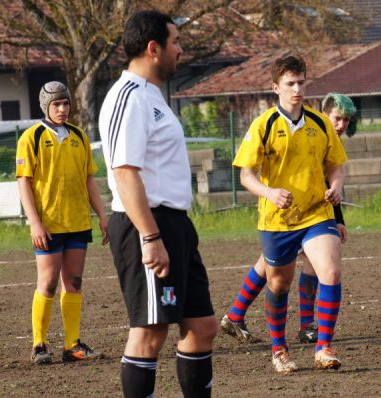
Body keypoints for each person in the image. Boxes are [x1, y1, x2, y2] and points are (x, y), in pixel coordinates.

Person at [98, 10, 217, 397]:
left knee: (201, 327)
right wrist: (151, 237)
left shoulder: (152, 97)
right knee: (150, 332)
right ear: (153, 48)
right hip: (147, 226)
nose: (180, 50)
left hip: (176, 224)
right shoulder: (128, 97)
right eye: (176, 42)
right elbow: (125, 172)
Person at [232, 55, 348, 374]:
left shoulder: (320, 123)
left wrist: (336, 186)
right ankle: (279, 348)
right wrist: (269, 192)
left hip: (316, 213)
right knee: (280, 284)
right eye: (290, 84)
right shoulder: (264, 125)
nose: (297, 89)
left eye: (301, 83)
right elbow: (245, 174)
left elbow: (336, 165)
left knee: (331, 273)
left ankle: (323, 346)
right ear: (276, 87)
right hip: (277, 220)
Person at [220, 92, 357, 346]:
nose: (341, 125)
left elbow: (329, 185)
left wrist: (337, 219)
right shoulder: (305, 128)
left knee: (278, 264)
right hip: (283, 215)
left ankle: (236, 314)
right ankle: (305, 324)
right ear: (325, 114)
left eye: (346, 121)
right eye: (337, 118)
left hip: (313, 213)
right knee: (295, 266)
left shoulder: (325, 135)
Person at [16, 81, 108, 365]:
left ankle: (72, 345)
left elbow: (89, 180)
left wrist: (103, 215)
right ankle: (39, 345)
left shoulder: (79, 137)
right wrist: (34, 222)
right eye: (56, 104)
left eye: (66, 103)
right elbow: (24, 182)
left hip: (78, 222)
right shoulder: (31, 137)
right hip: (49, 224)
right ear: (46, 106)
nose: (62, 108)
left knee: (74, 282)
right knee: (48, 283)